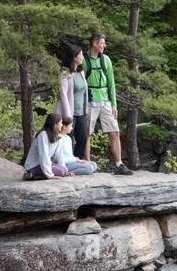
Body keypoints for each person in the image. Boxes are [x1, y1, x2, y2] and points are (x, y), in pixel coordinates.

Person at [83, 32, 133, 174]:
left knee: (114, 132)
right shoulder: (84, 60)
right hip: (89, 100)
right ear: (94, 44)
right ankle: (87, 165)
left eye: (104, 43)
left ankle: (119, 164)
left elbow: (111, 83)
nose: (104, 46)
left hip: (105, 100)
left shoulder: (106, 60)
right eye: (101, 43)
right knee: (87, 134)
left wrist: (114, 104)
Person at [56, 45, 90, 161]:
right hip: (70, 113)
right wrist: (67, 115)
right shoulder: (65, 73)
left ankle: (76, 160)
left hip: (81, 112)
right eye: (80, 55)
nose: (82, 57)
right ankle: (66, 162)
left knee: (83, 138)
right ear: (75, 57)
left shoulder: (81, 72)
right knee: (68, 139)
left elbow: (84, 91)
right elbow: (63, 93)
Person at [23, 112, 69, 180]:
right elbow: (43, 156)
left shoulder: (57, 136)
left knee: (63, 170)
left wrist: (66, 171)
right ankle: (31, 174)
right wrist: (50, 175)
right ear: (55, 124)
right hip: (33, 166)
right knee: (61, 171)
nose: (62, 125)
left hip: (42, 165)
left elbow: (59, 155)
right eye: (61, 123)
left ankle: (40, 175)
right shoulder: (43, 135)